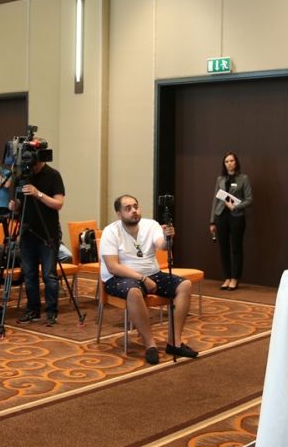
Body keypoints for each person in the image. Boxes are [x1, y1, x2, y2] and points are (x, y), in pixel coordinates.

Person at [100, 194, 198, 365]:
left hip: (152, 274)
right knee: (134, 291)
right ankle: (150, 345)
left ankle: (174, 343)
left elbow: (163, 246)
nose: (134, 211)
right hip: (120, 277)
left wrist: (169, 238)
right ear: (119, 214)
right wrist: (143, 278)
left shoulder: (151, 225)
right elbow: (112, 267)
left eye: (136, 206)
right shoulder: (111, 231)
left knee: (185, 285)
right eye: (128, 208)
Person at [9, 149, 64, 326]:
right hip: (27, 232)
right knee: (29, 274)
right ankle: (33, 310)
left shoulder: (53, 175)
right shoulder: (23, 176)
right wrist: (15, 206)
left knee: (49, 275)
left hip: (48, 233)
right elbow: (20, 203)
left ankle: (51, 312)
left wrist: (38, 194)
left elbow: (58, 203)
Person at [209, 152, 253, 290]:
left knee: (236, 248)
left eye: (232, 161)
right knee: (224, 248)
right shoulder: (220, 179)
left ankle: (235, 278)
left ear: (236, 162)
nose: (229, 163)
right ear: (224, 164)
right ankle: (227, 278)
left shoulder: (243, 178)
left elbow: (249, 199)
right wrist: (212, 221)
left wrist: (235, 206)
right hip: (221, 216)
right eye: (227, 161)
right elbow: (215, 199)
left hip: (236, 217)